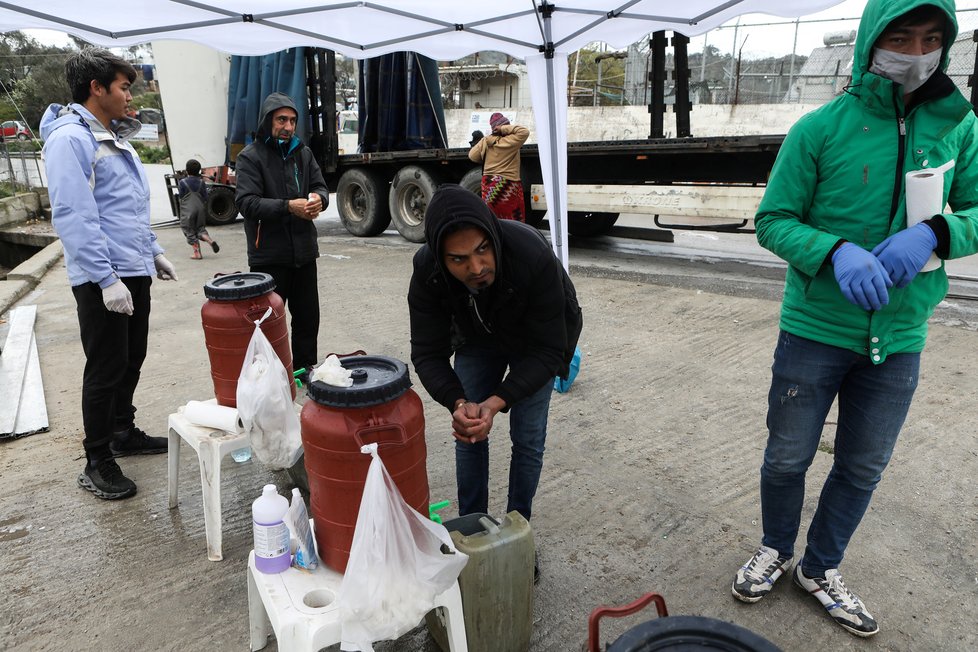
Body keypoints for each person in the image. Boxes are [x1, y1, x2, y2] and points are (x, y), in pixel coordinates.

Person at [730, 0, 978, 638]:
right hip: (814, 332)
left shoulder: (959, 125)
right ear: (872, 39)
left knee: (864, 465)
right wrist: (834, 251)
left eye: (931, 38)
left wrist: (938, 233)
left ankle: (820, 566)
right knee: (787, 456)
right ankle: (776, 547)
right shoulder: (819, 129)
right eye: (901, 35)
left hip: (899, 337)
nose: (916, 50)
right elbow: (773, 220)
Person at [408, 184, 583, 577]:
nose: (476, 267)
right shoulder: (427, 272)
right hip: (478, 336)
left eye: (483, 250)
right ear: (439, 256)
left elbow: (549, 350)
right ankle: (474, 531)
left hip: (536, 343)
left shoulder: (529, 252)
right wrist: (459, 403)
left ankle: (519, 532)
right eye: (459, 259)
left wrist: (499, 399)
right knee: (470, 431)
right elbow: (427, 353)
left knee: (528, 440)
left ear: (492, 235)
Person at [40, 48, 178, 501]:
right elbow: (75, 216)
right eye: (123, 88)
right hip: (104, 276)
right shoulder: (70, 140)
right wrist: (104, 279)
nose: (128, 98)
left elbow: (124, 209)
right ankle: (97, 458)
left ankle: (123, 430)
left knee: (130, 357)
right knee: (105, 367)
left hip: (132, 267)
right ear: (96, 88)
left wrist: (153, 251)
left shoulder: (110, 137)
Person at [235, 92, 329, 378]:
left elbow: (321, 188)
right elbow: (246, 203)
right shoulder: (250, 157)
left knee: (307, 319)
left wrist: (317, 199)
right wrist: (288, 206)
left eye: (292, 120)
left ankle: (303, 372)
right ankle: (271, 376)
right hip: (269, 256)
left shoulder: (304, 153)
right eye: (281, 120)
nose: (288, 126)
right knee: (269, 322)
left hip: (303, 252)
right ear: (267, 121)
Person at [468, 112, 529, 221]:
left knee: (493, 219)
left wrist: (483, 146)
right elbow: (524, 131)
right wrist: (503, 128)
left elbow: (472, 156)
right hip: (507, 185)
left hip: (489, 185)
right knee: (512, 220)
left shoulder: (486, 141)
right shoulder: (511, 141)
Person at [178, 158, 219, 259]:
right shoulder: (202, 182)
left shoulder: (182, 182)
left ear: (187, 170)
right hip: (200, 209)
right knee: (200, 228)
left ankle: (197, 253)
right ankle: (209, 240)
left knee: (188, 229)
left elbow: (181, 197)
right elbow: (205, 197)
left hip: (188, 209)